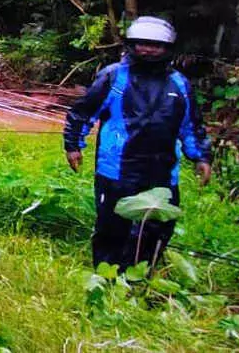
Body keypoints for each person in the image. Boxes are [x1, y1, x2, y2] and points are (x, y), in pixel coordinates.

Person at [63, 16, 211, 271]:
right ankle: (106, 279)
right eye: (142, 43)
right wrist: (73, 145)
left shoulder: (179, 83)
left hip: (163, 171)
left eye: (155, 45)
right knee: (112, 226)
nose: (148, 49)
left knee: (157, 226)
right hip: (117, 169)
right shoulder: (114, 77)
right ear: (131, 44)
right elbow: (83, 112)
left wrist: (201, 156)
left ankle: (141, 275)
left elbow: (190, 125)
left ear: (167, 48)